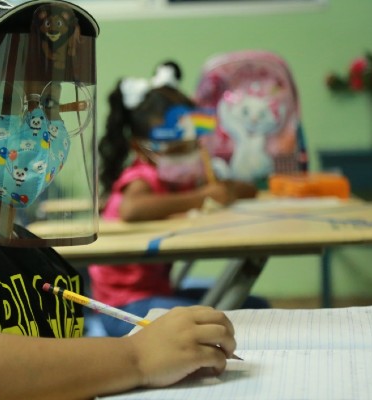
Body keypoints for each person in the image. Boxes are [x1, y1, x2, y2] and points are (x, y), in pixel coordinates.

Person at [0, 2, 238, 399]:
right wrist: (136, 357)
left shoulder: (33, 252)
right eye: (2, 103)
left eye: (47, 104)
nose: (37, 123)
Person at [89, 61, 267, 337]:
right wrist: (200, 197)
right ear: (140, 146)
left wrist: (226, 189)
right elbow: (132, 209)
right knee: (225, 319)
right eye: (176, 148)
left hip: (156, 293)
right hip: (123, 306)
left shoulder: (176, 179)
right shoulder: (142, 176)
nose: (185, 154)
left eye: (191, 145)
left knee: (257, 308)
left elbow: (242, 190)